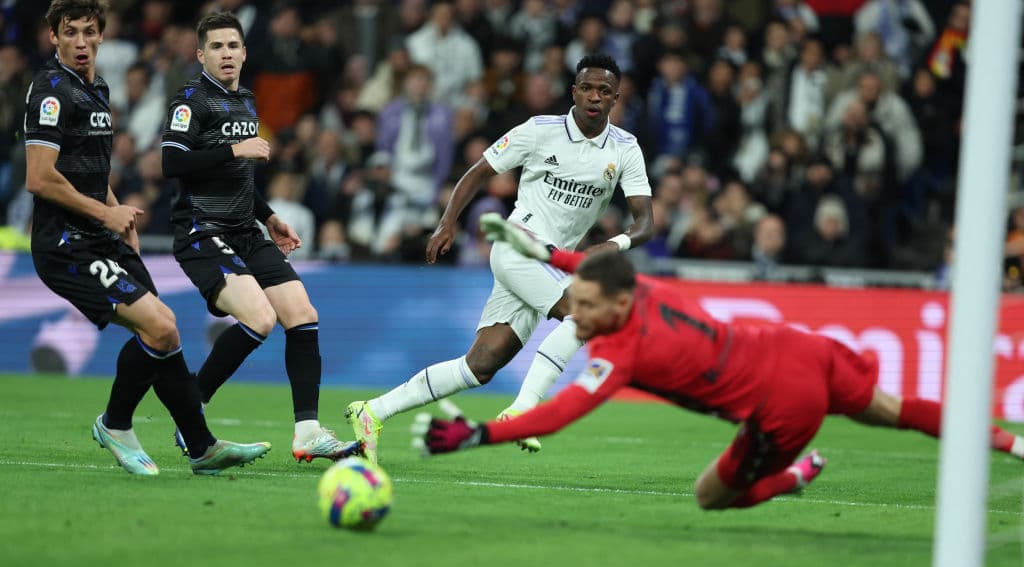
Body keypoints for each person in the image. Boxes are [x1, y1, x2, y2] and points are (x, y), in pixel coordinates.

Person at [417, 214, 1024, 510]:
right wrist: (539, 250)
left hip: (783, 406)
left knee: (711, 497)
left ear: (621, 304)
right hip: (801, 348)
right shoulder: (641, 287)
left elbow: (558, 415)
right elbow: (589, 272)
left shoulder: (621, 352)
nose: (578, 314)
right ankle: (1009, 442)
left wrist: (478, 434)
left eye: (589, 309)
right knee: (894, 411)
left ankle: (792, 477)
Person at [347, 53, 654, 463]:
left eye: (604, 91)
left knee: (480, 365)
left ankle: (372, 412)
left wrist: (612, 245)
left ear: (616, 98)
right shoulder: (538, 131)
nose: (594, 97)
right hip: (516, 247)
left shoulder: (625, 148)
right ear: (573, 91)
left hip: (555, 261)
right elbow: (477, 171)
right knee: (585, 315)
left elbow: (645, 223)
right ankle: (524, 412)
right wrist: (447, 223)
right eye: (586, 88)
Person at [25, 0, 271, 476]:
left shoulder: (96, 87)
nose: (81, 41)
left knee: (163, 330)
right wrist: (105, 214)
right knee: (158, 325)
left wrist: (118, 215)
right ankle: (119, 424)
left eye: (89, 32)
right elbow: (39, 178)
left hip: (101, 233)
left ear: (102, 35)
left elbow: (92, 170)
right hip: (64, 243)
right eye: (70, 32)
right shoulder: (50, 89)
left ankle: (199, 446)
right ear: (53, 36)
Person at [160, 12, 358, 463]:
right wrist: (235, 148)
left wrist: (268, 216)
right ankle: (191, 410)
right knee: (261, 318)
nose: (226, 54)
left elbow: (239, 178)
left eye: (233, 46)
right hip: (201, 231)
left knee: (303, 314)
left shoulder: (246, 100)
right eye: (217, 47)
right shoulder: (191, 99)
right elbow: (171, 163)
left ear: (245, 52)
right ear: (201, 55)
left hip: (245, 230)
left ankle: (307, 432)